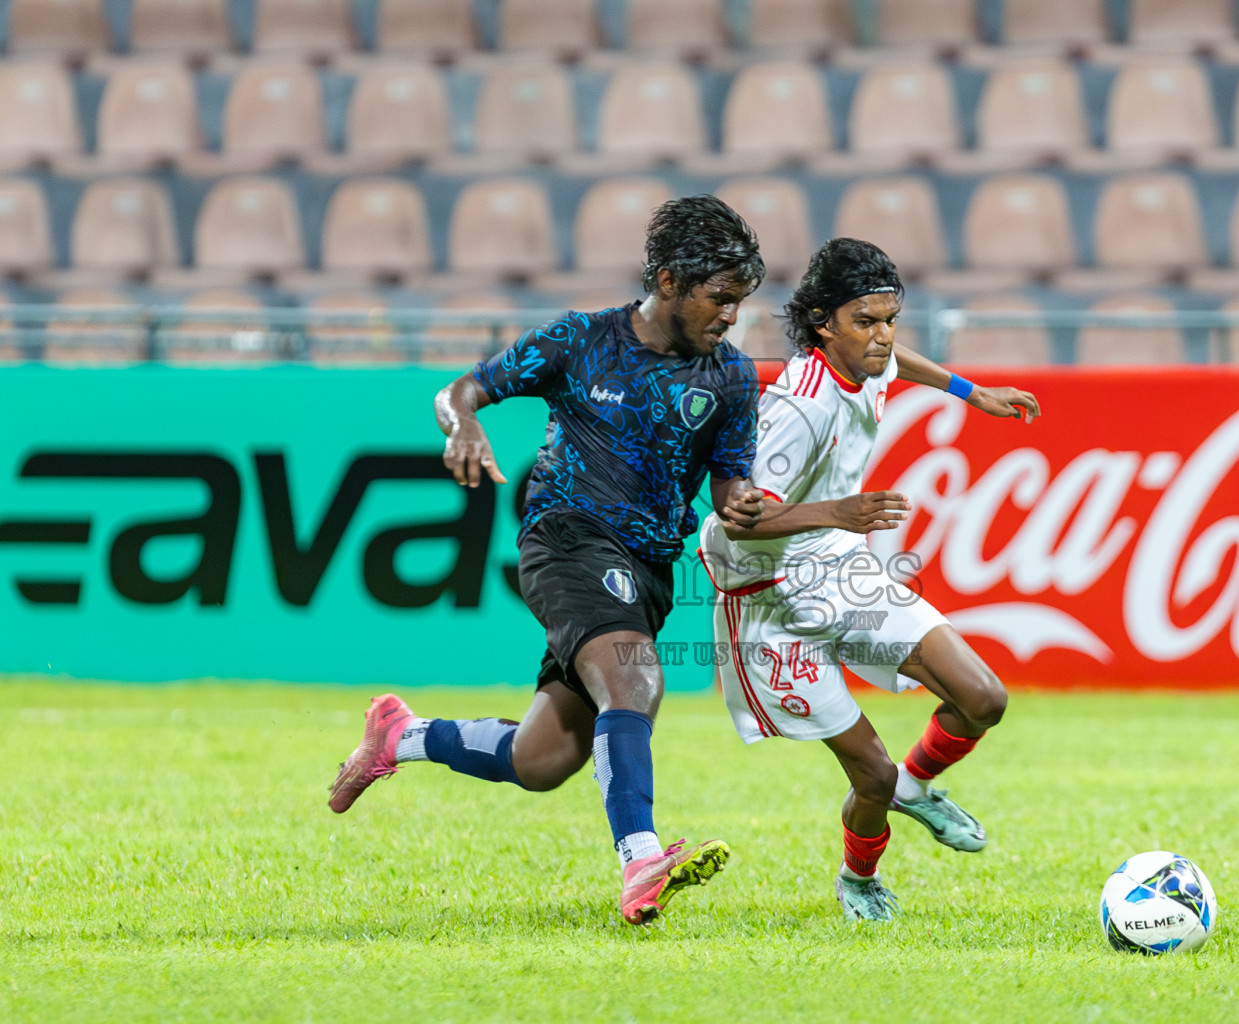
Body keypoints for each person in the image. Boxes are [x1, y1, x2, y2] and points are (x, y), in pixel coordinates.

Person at [327, 195, 768, 926]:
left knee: (541, 760)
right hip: (565, 540)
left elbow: (730, 482)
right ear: (667, 281)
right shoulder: (581, 341)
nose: (730, 317)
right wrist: (462, 425)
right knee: (634, 680)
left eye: (740, 303)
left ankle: (398, 736)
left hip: (647, 570)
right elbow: (462, 390)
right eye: (719, 299)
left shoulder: (731, 379)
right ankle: (641, 859)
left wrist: (741, 501)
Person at [697, 238, 1040, 922]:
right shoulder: (796, 410)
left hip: (834, 565)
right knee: (870, 774)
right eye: (867, 321)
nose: (883, 336)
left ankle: (918, 788)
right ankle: (859, 879)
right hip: (767, 600)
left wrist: (972, 393)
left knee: (983, 698)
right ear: (825, 323)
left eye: (890, 319)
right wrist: (842, 511)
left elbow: (893, 366)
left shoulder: (867, 356)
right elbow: (736, 521)